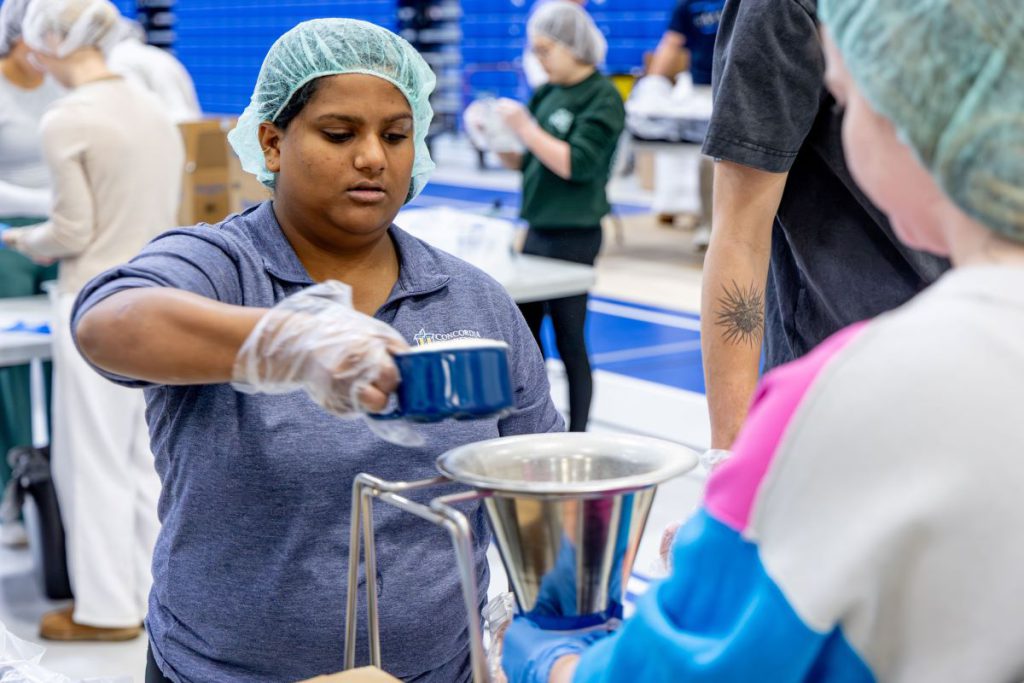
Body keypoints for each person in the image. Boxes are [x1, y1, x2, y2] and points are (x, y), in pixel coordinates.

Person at [501, 0, 1024, 680]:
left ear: (906, 123)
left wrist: (545, 656)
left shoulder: (835, 403)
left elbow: (680, 669)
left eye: (845, 99)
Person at [69, 18, 563, 682]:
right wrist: (288, 342)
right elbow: (107, 323)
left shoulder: (472, 301)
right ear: (272, 142)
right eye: (339, 134)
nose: (373, 157)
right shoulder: (224, 268)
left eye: (396, 135)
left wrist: (547, 625)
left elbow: (540, 484)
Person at [2, 0, 183, 642]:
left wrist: (24, 240)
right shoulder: (150, 107)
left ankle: (106, 611)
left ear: (50, 41)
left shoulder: (68, 118)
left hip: (93, 303)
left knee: (93, 460)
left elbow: (72, 231)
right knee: (145, 459)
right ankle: (158, 597)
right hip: (156, 296)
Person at [699, 0, 949, 453]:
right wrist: (731, 453)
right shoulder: (784, 9)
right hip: (842, 398)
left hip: (975, 370)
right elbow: (739, 233)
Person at [497, 1, 624, 433]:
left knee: (570, 340)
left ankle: (579, 433)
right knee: (525, 340)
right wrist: (500, 142)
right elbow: (531, 160)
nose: (539, 60)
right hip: (537, 228)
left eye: (545, 50)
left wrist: (525, 128)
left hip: (574, 232)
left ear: (572, 45)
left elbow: (577, 163)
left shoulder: (601, 95)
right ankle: (530, 426)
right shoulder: (547, 92)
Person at [0, 0, 63, 548]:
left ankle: (59, 487)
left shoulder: (59, 84)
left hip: (65, 231)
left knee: (66, 354)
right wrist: (48, 202)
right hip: (8, 236)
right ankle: (11, 490)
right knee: (12, 368)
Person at [628, 0, 723, 235]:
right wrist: (650, 86)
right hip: (701, 91)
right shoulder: (688, 5)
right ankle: (706, 223)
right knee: (705, 160)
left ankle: (718, 226)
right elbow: (671, 44)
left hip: (735, 87)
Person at [107, 18, 200, 123]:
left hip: (168, 126)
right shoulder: (158, 55)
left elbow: (135, 109)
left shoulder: (117, 60)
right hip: (187, 124)